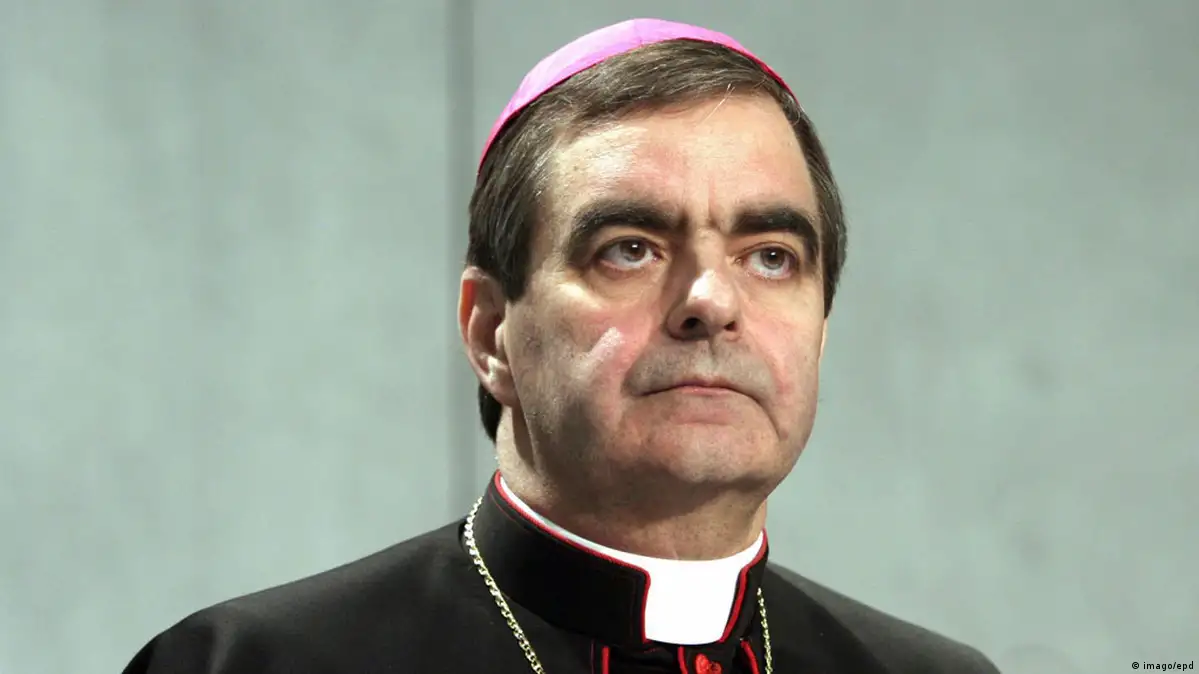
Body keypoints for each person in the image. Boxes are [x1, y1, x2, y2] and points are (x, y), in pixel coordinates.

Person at [121, 18, 1000, 674]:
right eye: (630, 249)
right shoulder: (248, 664)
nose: (709, 301)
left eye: (770, 257)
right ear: (490, 332)